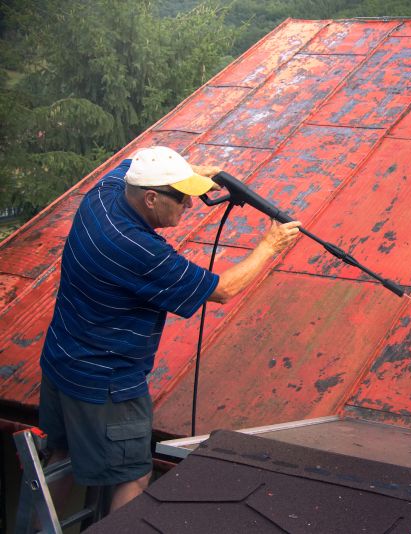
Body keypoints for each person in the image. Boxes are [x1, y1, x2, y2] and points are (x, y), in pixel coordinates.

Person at [38, 146, 301, 512]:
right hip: (106, 384)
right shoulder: (137, 249)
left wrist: (192, 172)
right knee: (131, 476)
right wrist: (269, 247)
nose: (190, 206)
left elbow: (132, 163)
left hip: (60, 359)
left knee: (62, 455)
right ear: (150, 198)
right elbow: (222, 290)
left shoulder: (106, 192)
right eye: (180, 198)